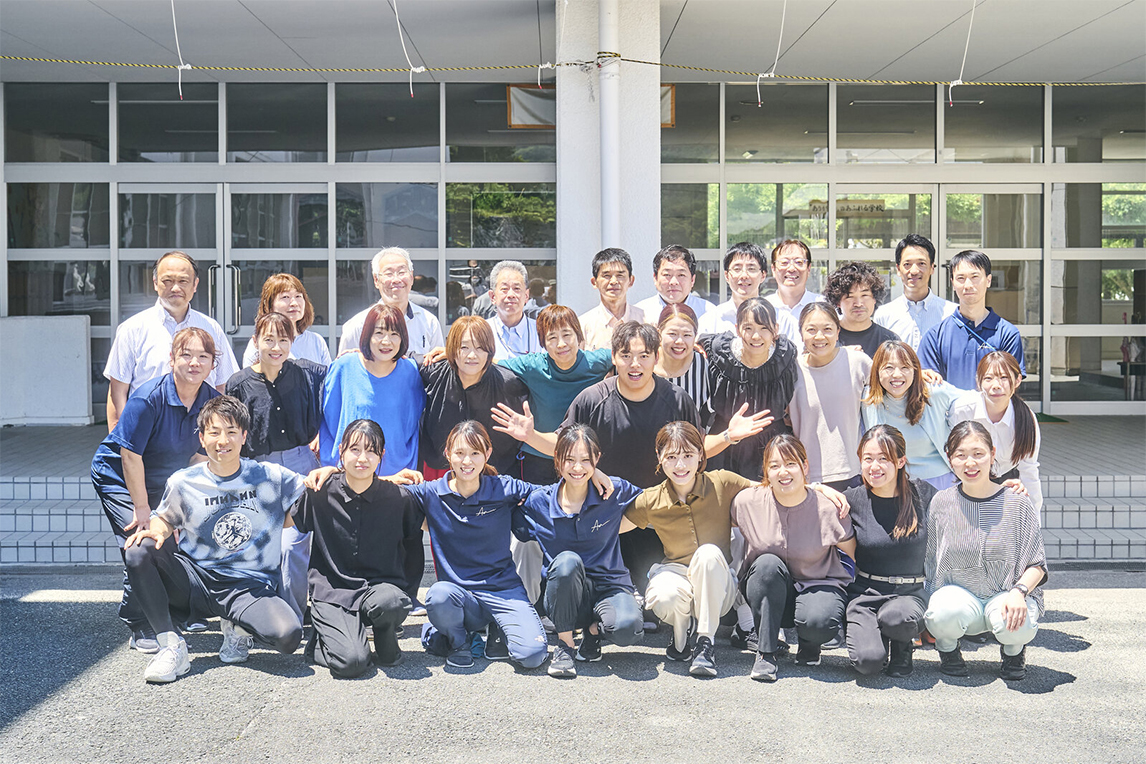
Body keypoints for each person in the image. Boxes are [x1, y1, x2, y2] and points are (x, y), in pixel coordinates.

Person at [491, 321, 770, 601]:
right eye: (626, 355)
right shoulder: (592, 399)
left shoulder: (676, 399)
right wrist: (531, 436)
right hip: (604, 515)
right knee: (601, 601)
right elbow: (564, 447)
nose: (634, 364)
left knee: (658, 603)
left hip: (656, 516)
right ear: (614, 357)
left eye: (643, 356)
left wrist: (728, 436)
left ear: (656, 358)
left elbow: (695, 451)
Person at [121, 396, 306, 683]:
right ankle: (171, 645)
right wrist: (157, 530)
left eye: (231, 432)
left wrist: (328, 472)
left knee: (288, 636)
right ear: (202, 438)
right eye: (214, 432)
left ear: (244, 436)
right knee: (138, 550)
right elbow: (165, 518)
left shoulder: (269, 476)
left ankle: (238, 628)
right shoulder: (184, 481)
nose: (223, 441)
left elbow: (308, 492)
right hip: (196, 579)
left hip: (248, 586)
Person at [410, 421, 608, 671]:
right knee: (437, 596)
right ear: (448, 454)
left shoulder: (504, 488)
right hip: (459, 596)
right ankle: (460, 643)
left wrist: (592, 474)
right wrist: (387, 477)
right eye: (459, 453)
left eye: (475, 453)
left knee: (532, 656)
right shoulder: (430, 493)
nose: (467, 461)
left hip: (503, 591)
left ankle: (498, 625)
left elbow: (554, 492)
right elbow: (386, 494)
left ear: (487, 454)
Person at [91, 326, 221, 653]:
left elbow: (198, 457)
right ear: (171, 359)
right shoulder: (148, 398)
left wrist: (187, 503)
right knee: (141, 541)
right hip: (119, 476)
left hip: (162, 478)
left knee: (166, 545)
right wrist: (142, 509)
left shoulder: (211, 402)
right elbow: (129, 456)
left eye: (203, 356)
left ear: (213, 363)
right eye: (186, 355)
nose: (194, 363)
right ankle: (138, 621)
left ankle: (173, 610)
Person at [623, 422, 756, 678]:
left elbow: (770, 491)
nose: (680, 465)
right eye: (671, 457)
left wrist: (815, 489)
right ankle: (680, 636)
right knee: (664, 595)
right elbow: (609, 528)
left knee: (707, 554)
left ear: (700, 455)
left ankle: (705, 642)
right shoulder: (651, 499)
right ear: (659, 458)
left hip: (719, 582)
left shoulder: (722, 482)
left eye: (687, 455)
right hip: (676, 574)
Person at [292, 420, 423, 677]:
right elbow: (288, 521)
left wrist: (407, 591)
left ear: (381, 455)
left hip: (378, 590)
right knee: (352, 663)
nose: (362, 458)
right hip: (333, 592)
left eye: (371, 451)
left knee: (393, 602)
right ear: (341, 450)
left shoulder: (399, 498)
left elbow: (413, 548)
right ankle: (322, 641)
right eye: (355, 449)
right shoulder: (320, 492)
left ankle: (385, 636)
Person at [515, 424, 645, 677]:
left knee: (627, 629)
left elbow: (654, 503)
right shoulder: (539, 502)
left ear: (597, 459)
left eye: (586, 460)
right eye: (569, 459)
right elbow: (504, 514)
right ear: (557, 459)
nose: (577, 467)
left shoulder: (614, 490)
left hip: (610, 586)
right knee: (567, 562)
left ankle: (593, 631)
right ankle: (565, 646)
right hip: (564, 594)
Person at [924, 421, 1048, 681]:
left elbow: (1037, 564)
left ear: (992, 454)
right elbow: (931, 561)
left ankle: (1013, 651)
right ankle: (948, 648)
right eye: (961, 455)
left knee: (1018, 623)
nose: (970, 463)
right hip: (959, 596)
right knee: (941, 614)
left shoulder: (1017, 501)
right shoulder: (941, 502)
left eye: (978, 453)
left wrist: (1019, 592)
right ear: (949, 459)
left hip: (1006, 593)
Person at [226, 312, 327, 619]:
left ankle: (293, 618)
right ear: (255, 341)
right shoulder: (239, 383)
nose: (276, 347)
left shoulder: (305, 373)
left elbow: (344, 372)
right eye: (268, 339)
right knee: (261, 546)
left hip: (301, 466)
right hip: (258, 472)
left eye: (283, 340)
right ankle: (262, 614)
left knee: (291, 546)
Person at [732, 434, 856, 682]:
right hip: (769, 591)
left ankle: (810, 643)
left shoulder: (828, 507)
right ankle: (765, 653)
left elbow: (853, 555)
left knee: (820, 622)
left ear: (805, 467)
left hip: (817, 587)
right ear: (766, 471)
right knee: (767, 564)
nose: (783, 471)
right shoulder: (746, 502)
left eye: (790, 464)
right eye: (774, 465)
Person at [104, 250, 237, 431]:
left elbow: (223, 385)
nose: (175, 288)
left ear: (195, 284)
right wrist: (120, 436)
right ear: (155, 283)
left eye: (183, 281)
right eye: (167, 281)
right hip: (147, 432)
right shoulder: (132, 328)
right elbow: (118, 390)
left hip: (199, 431)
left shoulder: (211, 328)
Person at [843, 425, 936, 678]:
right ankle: (878, 642)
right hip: (865, 594)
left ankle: (902, 646)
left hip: (910, 595)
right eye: (868, 459)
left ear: (901, 461)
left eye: (883, 458)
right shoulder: (853, 499)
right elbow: (809, 498)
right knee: (868, 663)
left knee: (897, 618)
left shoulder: (922, 494)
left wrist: (1005, 489)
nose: (875, 466)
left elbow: (962, 500)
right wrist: (821, 488)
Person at [498, 305, 613, 484]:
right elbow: (494, 365)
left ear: (578, 336)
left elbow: (628, 358)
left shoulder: (597, 362)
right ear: (543, 343)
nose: (561, 344)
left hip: (581, 459)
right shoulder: (533, 365)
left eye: (567, 335)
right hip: (537, 458)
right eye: (552, 337)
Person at [700, 297, 798, 481]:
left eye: (764, 328)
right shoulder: (720, 353)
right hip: (725, 443)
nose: (756, 336)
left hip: (770, 447)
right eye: (748, 328)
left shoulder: (784, 356)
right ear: (737, 329)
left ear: (776, 329)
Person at [320, 304, 426, 474]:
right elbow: (329, 418)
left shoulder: (411, 371)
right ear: (367, 335)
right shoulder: (344, 366)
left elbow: (412, 421)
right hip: (351, 472)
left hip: (398, 472)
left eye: (394, 334)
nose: (386, 341)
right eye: (379, 333)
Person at [420, 315, 529, 477]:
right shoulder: (434, 372)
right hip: (441, 471)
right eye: (464, 347)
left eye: (480, 348)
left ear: (490, 350)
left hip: (492, 474)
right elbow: (401, 362)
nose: (472, 355)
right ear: (452, 349)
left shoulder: (509, 383)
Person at [788, 302, 871, 490]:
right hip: (806, 477)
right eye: (811, 330)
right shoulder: (792, 370)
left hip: (853, 473)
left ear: (838, 331)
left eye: (827, 329)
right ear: (801, 333)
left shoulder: (858, 362)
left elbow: (891, 385)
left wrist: (920, 374)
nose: (819, 336)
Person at [948, 351, 1043, 512]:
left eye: (1004, 378)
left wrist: (1034, 517)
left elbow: (1029, 471)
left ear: (1017, 380)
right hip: (967, 478)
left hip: (1008, 481)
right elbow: (952, 456)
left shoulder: (1027, 419)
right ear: (978, 382)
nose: (996, 385)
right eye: (988, 378)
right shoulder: (962, 410)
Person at [862, 341, 963, 490]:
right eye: (889, 368)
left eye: (905, 367)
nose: (897, 374)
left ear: (915, 370)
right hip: (892, 485)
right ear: (877, 370)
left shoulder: (934, 392)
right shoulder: (867, 399)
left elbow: (973, 403)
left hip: (939, 482)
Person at [918, 249, 1025, 390]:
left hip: (992, 406)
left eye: (975, 277)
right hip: (949, 406)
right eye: (960, 278)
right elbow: (930, 387)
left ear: (988, 280)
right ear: (952, 283)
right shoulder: (935, 336)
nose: (968, 285)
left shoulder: (1007, 334)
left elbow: (1009, 386)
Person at [338, 247, 444, 362]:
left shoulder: (429, 322)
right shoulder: (358, 325)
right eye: (389, 274)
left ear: (411, 277)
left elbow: (437, 367)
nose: (396, 280)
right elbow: (345, 368)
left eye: (401, 272)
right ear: (376, 280)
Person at [698, 241, 799, 345]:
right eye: (737, 269)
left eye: (751, 269)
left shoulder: (781, 319)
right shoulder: (711, 320)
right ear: (727, 275)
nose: (744, 276)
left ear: (763, 275)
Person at [873, 234, 958, 350]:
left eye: (921, 263)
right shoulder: (884, 315)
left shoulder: (951, 313)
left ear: (932, 268)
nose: (914, 271)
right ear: (898, 269)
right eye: (907, 264)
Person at [241, 273, 331, 367]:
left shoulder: (316, 341)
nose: (294, 303)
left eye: (298, 296)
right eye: (285, 297)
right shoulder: (260, 343)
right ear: (270, 304)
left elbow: (329, 375)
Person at [824, 261, 900, 359]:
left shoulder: (890, 340)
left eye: (865, 295)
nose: (858, 303)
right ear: (838, 301)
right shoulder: (826, 337)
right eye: (850, 297)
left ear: (874, 298)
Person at [578, 247, 646, 351]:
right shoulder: (582, 325)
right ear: (594, 282)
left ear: (631, 281)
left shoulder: (646, 320)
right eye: (607, 275)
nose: (614, 281)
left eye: (620, 275)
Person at [634, 244, 716, 320]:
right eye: (667, 275)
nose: (674, 282)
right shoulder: (639, 313)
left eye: (681, 275)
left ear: (692, 280)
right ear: (655, 278)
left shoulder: (709, 313)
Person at [654, 303, 710, 412]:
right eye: (672, 334)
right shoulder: (644, 363)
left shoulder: (703, 365)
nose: (679, 341)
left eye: (687, 335)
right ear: (659, 333)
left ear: (695, 336)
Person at [487, 260, 542, 361]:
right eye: (504, 289)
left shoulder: (541, 332)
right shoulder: (481, 332)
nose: (511, 295)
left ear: (526, 296)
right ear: (492, 296)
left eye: (516, 288)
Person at [764, 239, 821, 334]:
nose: (791, 268)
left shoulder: (823, 305)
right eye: (784, 262)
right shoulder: (763, 308)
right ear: (773, 269)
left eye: (799, 262)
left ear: (808, 268)